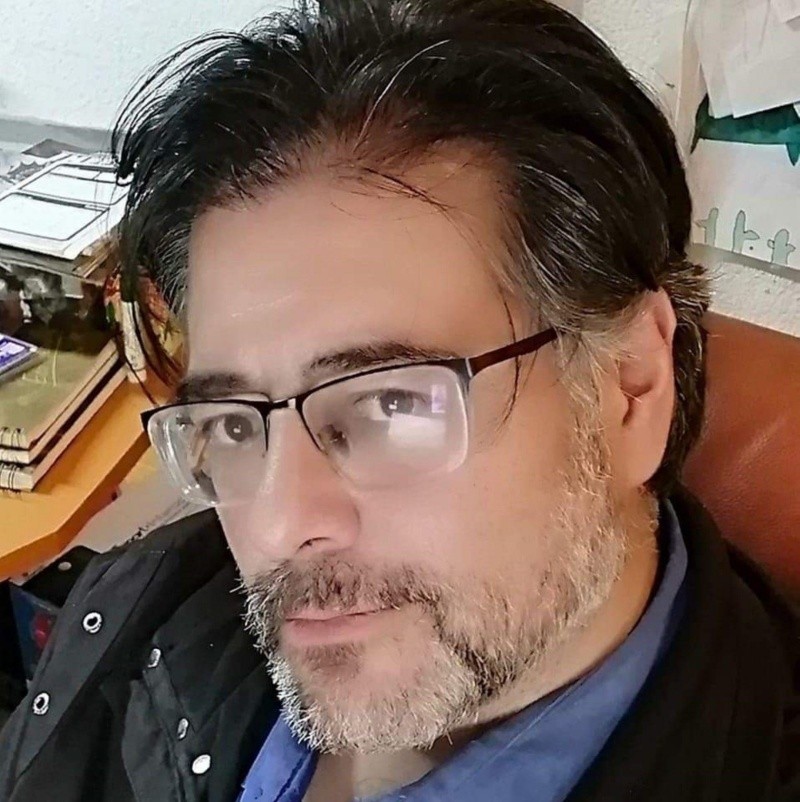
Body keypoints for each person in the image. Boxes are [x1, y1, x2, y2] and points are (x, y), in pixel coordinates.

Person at [1, 1, 798, 800]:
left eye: (389, 405)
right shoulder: (143, 604)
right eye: (235, 425)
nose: (277, 528)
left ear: (629, 387)